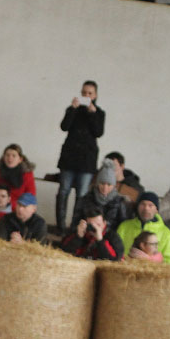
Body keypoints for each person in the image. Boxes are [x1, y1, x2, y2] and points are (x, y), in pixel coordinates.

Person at [55, 80, 104, 229]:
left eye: (89, 93)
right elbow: (64, 126)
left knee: (81, 195)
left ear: (95, 95)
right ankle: (61, 226)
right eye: (84, 93)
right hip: (69, 159)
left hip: (86, 162)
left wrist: (92, 113)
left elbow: (98, 132)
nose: (86, 96)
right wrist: (72, 109)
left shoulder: (99, 113)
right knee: (63, 191)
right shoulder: (72, 109)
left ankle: (74, 228)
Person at [69, 159, 128, 232]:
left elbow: (123, 226)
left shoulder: (119, 202)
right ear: (97, 183)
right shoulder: (86, 199)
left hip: (110, 239)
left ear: (113, 185)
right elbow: (75, 222)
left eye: (109, 184)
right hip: (87, 236)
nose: (105, 188)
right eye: (102, 183)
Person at [116, 191, 170, 263]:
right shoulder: (124, 227)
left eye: (150, 205)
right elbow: (116, 252)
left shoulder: (166, 233)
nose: (146, 208)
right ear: (137, 207)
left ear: (156, 210)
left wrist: (150, 261)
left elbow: (169, 261)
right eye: (142, 204)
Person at [0, 143, 35, 208]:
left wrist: (10, 206)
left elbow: (30, 197)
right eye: (7, 155)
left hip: (17, 210)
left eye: (14, 156)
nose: (10, 158)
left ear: (20, 159)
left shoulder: (27, 175)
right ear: (3, 157)